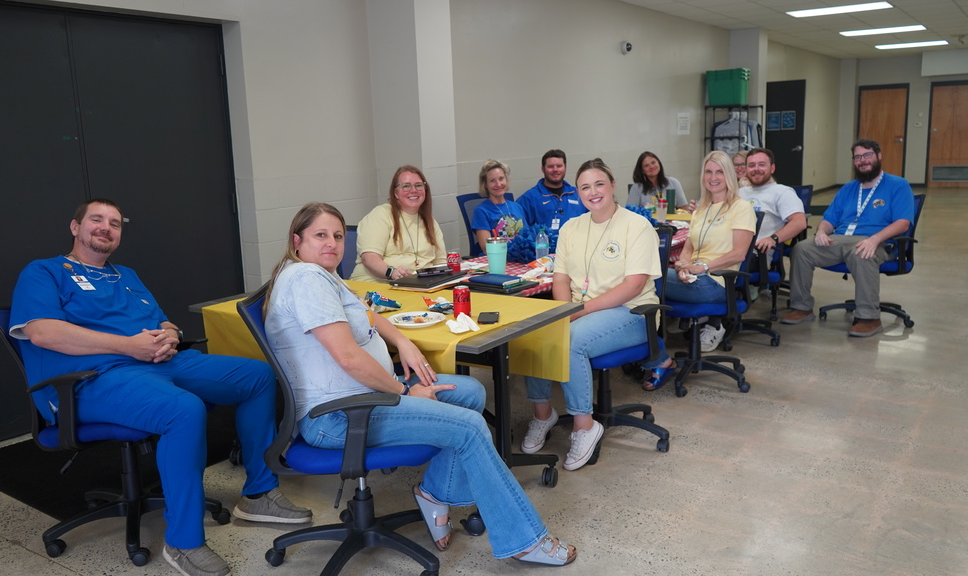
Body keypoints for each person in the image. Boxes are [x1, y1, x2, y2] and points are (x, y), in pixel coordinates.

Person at [9, 199, 311, 576]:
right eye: (96, 219)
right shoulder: (44, 272)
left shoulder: (126, 276)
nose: (106, 227)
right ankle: (184, 542)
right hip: (92, 380)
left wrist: (170, 336)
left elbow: (164, 322)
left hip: (156, 363)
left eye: (115, 223)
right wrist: (128, 345)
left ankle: (259, 494)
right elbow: (42, 332)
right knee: (183, 410)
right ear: (75, 227)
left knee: (256, 376)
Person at [264, 202, 577, 566]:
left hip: (362, 397)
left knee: (469, 392)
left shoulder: (323, 275)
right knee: (469, 426)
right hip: (339, 417)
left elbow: (366, 313)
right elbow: (348, 358)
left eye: (337, 235)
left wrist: (403, 342)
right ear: (297, 240)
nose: (332, 243)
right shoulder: (307, 279)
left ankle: (434, 493)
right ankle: (524, 539)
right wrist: (404, 390)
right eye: (321, 235)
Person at [522, 158, 675, 466]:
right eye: (585, 187)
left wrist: (578, 313)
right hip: (582, 310)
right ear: (577, 192)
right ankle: (543, 414)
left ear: (613, 185)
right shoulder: (571, 227)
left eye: (599, 184)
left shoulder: (636, 225)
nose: (593, 192)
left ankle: (585, 426)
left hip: (632, 312)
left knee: (570, 340)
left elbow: (633, 285)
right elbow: (561, 278)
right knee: (536, 333)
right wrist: (564, 311)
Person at [780, 139, 914, 338]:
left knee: (862, 253)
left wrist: (874, 239)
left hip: (877, 241)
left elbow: (903, 223)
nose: (862, 160)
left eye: (867, 155)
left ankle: (869, 318)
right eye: (857, 157)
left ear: (879, 156)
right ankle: (802, 307)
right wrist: (821, 232)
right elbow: (829, 219)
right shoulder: (848, 189)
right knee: (802, 249)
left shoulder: (898, 185)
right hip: (840, 239)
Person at [668, 151, 757, 353]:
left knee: (648, 279)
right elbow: (689, 247)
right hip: (694, 277)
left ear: (729, 175)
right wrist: (682, 266)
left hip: (717, 283)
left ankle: (652, 350)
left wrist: (703, 267)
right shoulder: (700, 209)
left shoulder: (741, 208)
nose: (713, 177)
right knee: (647, 279)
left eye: (719, 172)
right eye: (708, 172)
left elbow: (739, 254)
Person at [350, 165, 447, 282]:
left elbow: (440, 262)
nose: (413, 190)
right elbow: (369, 258)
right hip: (378, 284)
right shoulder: (381, 214)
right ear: (396, 193)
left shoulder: (430, 221)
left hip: (418, 284)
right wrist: (391, 272)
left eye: (418, 185)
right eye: (406, 186)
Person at [738, 147, 807, 268]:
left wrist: (773, 238)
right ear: (746, 169)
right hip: (730, 248)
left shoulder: (782, 192)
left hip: (756, 253)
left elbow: (799, 222)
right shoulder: (739, 193)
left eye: (762, 164)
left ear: (772, 168)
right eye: (752, 165)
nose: (756, 169)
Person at [516, 149, 587, 232]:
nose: (555, 170)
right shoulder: (528, 199)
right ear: (543, 169)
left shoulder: (578, 194)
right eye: (550, 166)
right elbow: (521, 232)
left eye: (559, 166)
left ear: (565, 167)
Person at [471, 159, 526, 253]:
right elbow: (486, 248)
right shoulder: (481, 211)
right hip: (495, 258)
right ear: (485, 185)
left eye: (501, 179)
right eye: (492, 181)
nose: (498, 184)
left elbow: (527, 237)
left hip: (520, 258)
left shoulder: (517, 207)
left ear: (506, 180)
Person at [626, 151, 693, 212]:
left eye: (653, 162)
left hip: (672, 221)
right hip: (647, 221)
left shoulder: (674, 183)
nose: (651, 166)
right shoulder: (636, 188)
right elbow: (630, 212)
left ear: (658, 163)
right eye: (646, 165)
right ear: (642, 171)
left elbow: (683, 208)